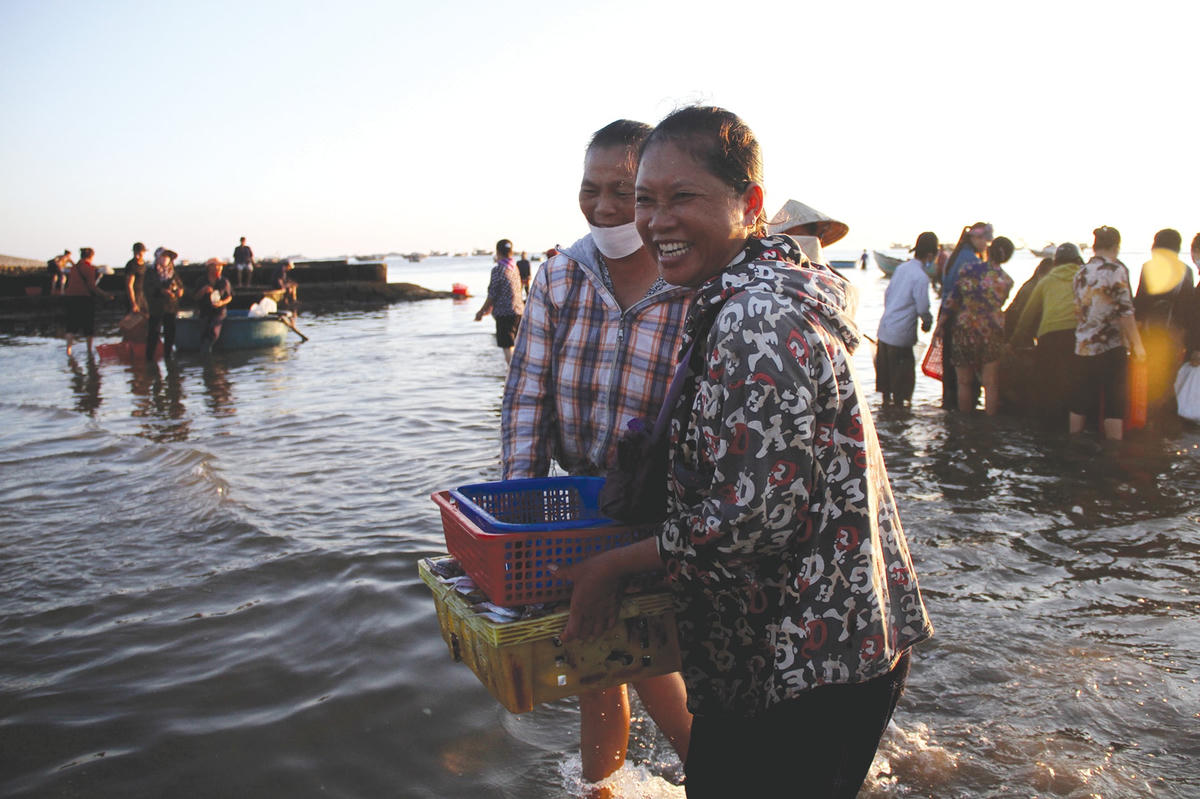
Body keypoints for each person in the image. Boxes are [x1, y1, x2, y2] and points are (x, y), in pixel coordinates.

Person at [558, 106, 933, 799]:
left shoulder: (757, 316)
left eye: (683, 198)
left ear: (750, 204)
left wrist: (612, 567)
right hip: (827, 641)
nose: (656, 220)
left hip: (809, 659)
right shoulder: (751, 292)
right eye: (647, 201)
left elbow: (752, 521)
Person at [502, 120, 693, 784]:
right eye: (592, 189)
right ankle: (603, 785)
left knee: (657, 651)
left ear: (652, 197)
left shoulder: (688, 282)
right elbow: (526, 400)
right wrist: (518, 520)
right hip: (583, 503)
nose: (606, 206)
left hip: (668, 511)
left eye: (623, 190)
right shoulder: (558, 277)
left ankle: (706, 769)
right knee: (596, 655)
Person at [1070, 226, 1146, 440]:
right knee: (1114, 402)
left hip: (1083, 345)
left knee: (1080, 400)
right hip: (1110, 345)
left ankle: (1072, 444)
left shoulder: (1080, 272)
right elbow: (1125, 311)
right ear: (1116, 246)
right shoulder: (1115, 270)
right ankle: (1113, 453)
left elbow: (1079, 310)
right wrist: (1138, 346)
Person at [937, 236, 1014, 415]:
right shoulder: (1007, 280)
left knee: (964, 381)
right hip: (991, 331)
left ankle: (965, 422)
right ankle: (989, 425)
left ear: (989, 249)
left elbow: (953, 299)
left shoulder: (968, 269)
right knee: (990, 382)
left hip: (964, 327)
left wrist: (940, 325)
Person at [1009, 243, 1085, 421]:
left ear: (1055, 263)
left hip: (1049, 337)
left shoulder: (1046, 281)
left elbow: (1028, 315)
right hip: (1077, 337)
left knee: (1048, 387)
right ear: (1078, 260)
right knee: (1075, 386)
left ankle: (1046, 429)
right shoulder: (1085, 278)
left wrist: (1013, 342)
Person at [1133, 228, 1194, 421]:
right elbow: (1187, 310)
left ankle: (1146, 421)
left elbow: (1140, 304)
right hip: (1173, 336)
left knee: (1147, 380)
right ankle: (1164, 422)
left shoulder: (1149, 267)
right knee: (1168, 381)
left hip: (1149, 336)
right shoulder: (1186, 271)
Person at [936, 222, 994, 410]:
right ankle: (965, 418)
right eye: (985, 240)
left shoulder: (955, 256)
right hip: (960, 318)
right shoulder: (972, 261)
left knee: (952, 372)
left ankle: (951, 416)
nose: (987, 245)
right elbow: (963, 294)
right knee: (964, 376)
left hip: (946, 313)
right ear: (976, 238)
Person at [876, 231, 937, 407]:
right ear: (931, 255)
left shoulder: (901, 268)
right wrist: (927, 321)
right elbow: (923, 307)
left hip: (885, 330)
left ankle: (886, 418)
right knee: (901, 389)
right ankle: (899, 423)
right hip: (901, 337)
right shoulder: (921, 277)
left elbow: (887, 295)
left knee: (886, 386)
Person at [473, 238, 524, 365]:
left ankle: (513, 377)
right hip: (519, 312)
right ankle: (519, 375)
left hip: (504, 313)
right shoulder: (514, 267)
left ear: (498, 252)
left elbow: (492, 294)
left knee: (508, 347)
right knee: (517, 347)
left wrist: (481, 311)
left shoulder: (498, 269)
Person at [764, 199, 850, 266]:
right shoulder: (769, 266)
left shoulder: (827, 275)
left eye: (799, 235)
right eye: (791, 237)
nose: (795, 242)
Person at [62, 247, 113, 354]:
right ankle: (89, 351)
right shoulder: (89, 268)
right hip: (84, 298)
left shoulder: (74, 268)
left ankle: (68, 350)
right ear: (91, 256)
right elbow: (92, 286)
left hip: (70, 297)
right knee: (88, 326)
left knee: (71, 325)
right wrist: (105, 295)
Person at [144, 246, 185, 360]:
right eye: (163, 256)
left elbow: (180, 285)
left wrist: (180, 291)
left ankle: (168, 356)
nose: (166, 259)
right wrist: (162, 291)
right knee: (154, 333)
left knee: (170, 333)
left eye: (168, 257)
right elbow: (148, 289)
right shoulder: (151, 272)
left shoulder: (172, 272)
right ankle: (150, 359)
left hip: (171, 307)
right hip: (156, 307)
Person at [195, 258, 234, 352]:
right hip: (205, 310)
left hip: (219, 311)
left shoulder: (224, 281)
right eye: (216, 266)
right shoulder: (201, 281)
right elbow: (195, 297)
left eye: (220, 266)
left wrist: (221, 303)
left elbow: (229, 297)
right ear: (209, 268)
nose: (219, 268)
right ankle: (205, 354)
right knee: (204, 332)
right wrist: (203, 291)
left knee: (214, 332)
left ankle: (207, 350)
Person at [124, 242, 149, 314]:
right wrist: (133, 303)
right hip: (135, 296)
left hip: (143, 296)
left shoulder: (144, 264)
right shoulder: (131, 265)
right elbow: (129, 285)